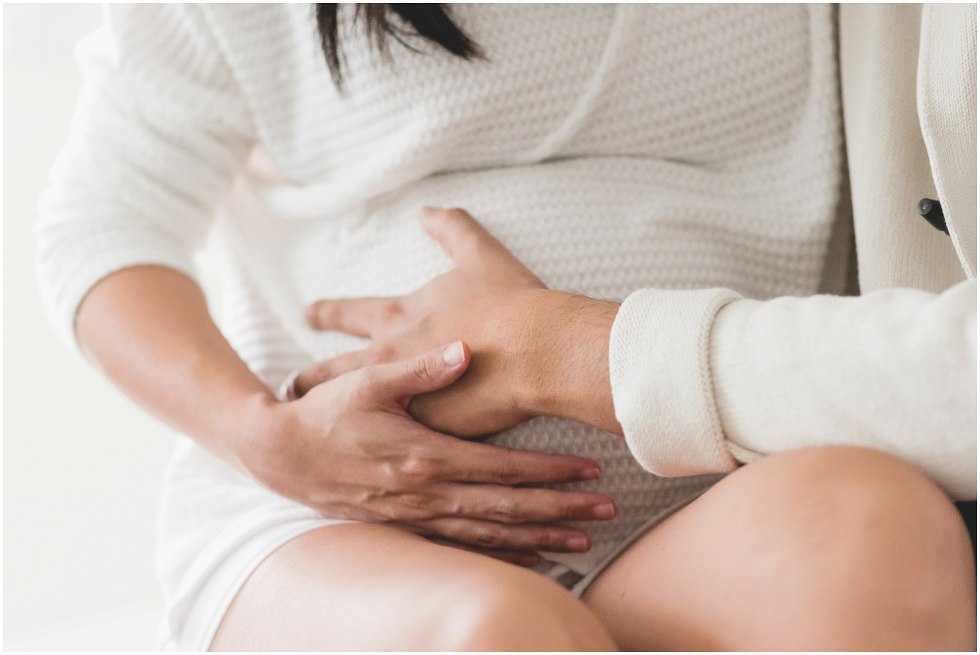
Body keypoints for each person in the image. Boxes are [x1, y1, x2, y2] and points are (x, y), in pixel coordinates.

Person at [36, 4, 974, 651]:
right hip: (336, 523)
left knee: (876, 531)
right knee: (496, 636)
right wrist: (262, 436)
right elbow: (102, 226)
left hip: (702, 506)